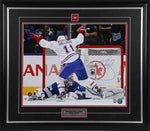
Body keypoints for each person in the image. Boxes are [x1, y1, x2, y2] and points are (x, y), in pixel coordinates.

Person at [29, 29, 103, 100]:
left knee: (59, 78)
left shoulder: (56, 43)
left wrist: (39, 38)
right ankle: (98, 89)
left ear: (58, 40)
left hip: (69, 62)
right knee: (85, 79)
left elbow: (45, 44)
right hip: (78, 61)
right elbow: (80, 39)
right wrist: (81, 32)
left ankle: (62, 93)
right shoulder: (70, 41)